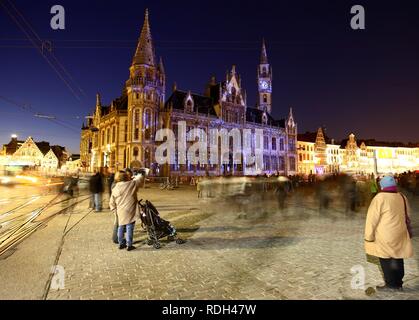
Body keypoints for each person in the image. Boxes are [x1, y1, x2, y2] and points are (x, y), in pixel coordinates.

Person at [364, 175, 413, 292]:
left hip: (385, 235)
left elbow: (372, 219)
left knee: (386, 259)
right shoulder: (402, 196)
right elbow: (408, 215)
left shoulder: (379, 198)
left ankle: (391, 284)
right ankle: (398, 283)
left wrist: (368, 236)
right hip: (400, 233)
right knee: (397, 257)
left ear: (382, 186)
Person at [110, 171, 143, 251]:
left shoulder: (115, 188)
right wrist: (138, 174)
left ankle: (121, 243)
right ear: (126, 177)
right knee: (129, 227)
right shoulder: (132, 184)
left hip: (120, 210)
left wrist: (114, 210)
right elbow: (140, 178)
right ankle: (129, 245)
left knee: (120, 226)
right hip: (130, 209)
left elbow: (112, 201)